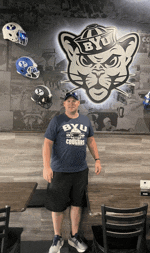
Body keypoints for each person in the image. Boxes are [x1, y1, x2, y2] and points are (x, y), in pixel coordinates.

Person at [43, 92, 101, 253]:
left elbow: (91, 140)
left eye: (74, 101)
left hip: (80, 171)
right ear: (64, 104)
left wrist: (97, 159)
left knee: (77, 204)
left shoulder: (85, 120)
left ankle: (74, 237)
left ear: (78, 103)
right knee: (57, 206)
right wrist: (46, 167)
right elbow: (47, 143)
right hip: (59, 171)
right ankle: (57, 237)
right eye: (68, 101)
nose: (71, 103)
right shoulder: (57, 120)